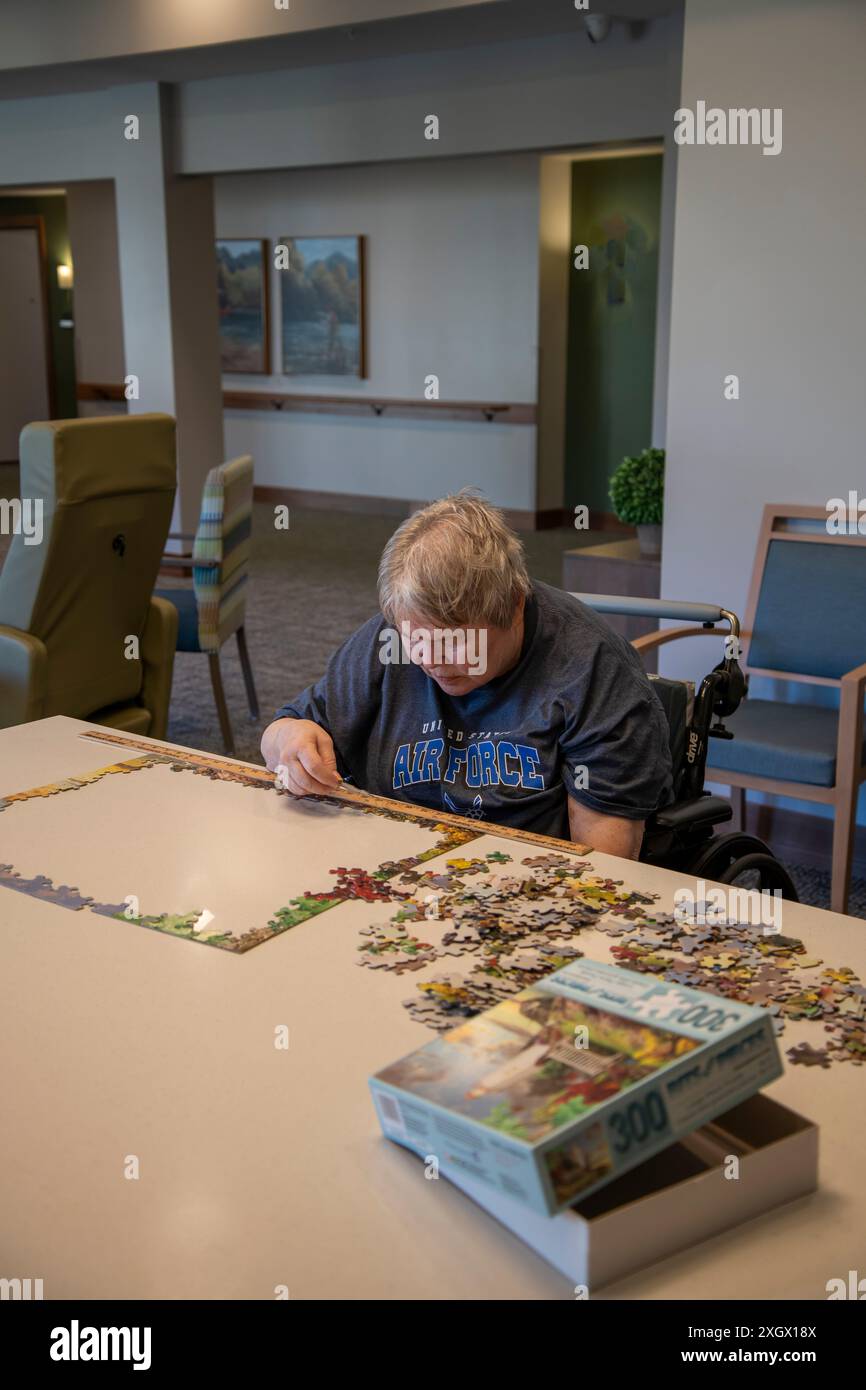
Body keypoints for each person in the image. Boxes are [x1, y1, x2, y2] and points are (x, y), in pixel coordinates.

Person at [261, 491, 672, 856]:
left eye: (454, 642)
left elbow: (601, 868)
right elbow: (280, 732)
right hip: (389, 868)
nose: (430, 660)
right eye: (415, 640)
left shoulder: (594, 672)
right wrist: (290, 743)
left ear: (513, 606)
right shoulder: (390, 640)